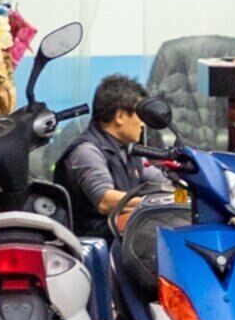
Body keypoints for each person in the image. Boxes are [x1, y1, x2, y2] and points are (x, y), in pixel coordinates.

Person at [58, 75, 182, 230]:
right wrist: (165, 201)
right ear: (120, 116)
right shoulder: (87, 151)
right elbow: (105, 200)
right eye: (140, 115)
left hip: (124, 235)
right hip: (99, 240)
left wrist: (183, 191)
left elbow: (161, 180)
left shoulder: (128, 149)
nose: (143, 124)